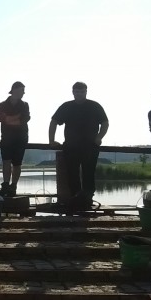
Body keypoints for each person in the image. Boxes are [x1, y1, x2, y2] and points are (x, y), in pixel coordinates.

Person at [49, 81, 109, 209]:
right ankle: (75, 198)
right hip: (71, 146)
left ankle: (88, 199)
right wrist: (51, 140)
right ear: (73, 92)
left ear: (86, 92)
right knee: (72, 173)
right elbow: (54, 121)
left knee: (89, 173)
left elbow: (105, 123)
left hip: (90, 146)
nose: (79, 94)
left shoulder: (94, 106)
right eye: (77, 92)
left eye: (82, 92)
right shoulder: (66, 106)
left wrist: (99, 137)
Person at [0, 81, 30, 197]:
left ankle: (13, 186)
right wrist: (17, 117)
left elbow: (24, 120)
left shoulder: (25, 105)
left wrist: (9, 119)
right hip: (6, 138)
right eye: (22, 90)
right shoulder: (2, 105)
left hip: (21, 138)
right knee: (6, 161)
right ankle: (6, 185)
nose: (24, 93)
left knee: (17, 163)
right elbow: (1, 118)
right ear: (15, 90)